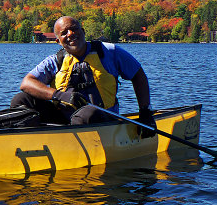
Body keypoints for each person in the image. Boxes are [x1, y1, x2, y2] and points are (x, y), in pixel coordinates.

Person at [11, 15, 155, 136]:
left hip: (102, 119)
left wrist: (145, 112)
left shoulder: (109, 52)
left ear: (83, 31)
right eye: (64, 33)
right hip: (63, 119)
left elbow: (138, 75)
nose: (70, 34)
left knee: (87, 114)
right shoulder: (55, 61)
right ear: (58, 41)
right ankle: (29, 142)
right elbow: (26, 83)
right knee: (21, 99)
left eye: (74, 29)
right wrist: (59, 95)